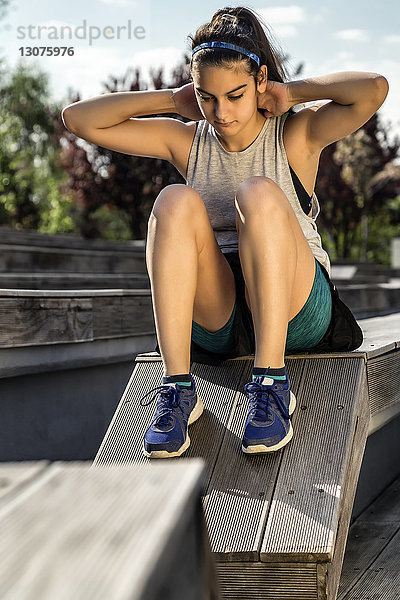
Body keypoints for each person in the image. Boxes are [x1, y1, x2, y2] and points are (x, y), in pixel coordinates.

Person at [61, 6, 388, 459]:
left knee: (257, 192)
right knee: (173, 202)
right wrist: (171, 101)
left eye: (235, 94)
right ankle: (177, 388)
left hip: (295, 307)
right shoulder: (188, 141)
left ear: (259, 82)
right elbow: (78, 120)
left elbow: (373, 90)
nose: (222, 112)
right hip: (224, 314)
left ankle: (272, 385)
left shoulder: (295, 133)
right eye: (207, 97)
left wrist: (289, 93)